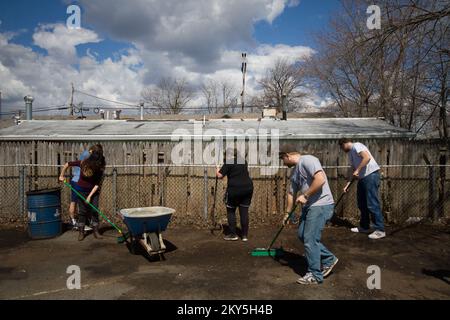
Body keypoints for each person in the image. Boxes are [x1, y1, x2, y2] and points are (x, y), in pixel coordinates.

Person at [279, 145, 338, 285]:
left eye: (282, 159)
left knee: (310, 239)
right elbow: (291, 193)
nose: (282, 163)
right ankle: (329, 259)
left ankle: (314, 274)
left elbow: (320, 179)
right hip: (310, 206)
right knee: (302, 235)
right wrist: (287, 213)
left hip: (320, 205)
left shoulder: (308, 160)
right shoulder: (295, 172)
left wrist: (305, 195)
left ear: (287, 155)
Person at [339, 138, 386, 240]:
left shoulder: (357, 146)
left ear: (345, 143)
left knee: (372, 203)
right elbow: (353, 171)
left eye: (342, 147)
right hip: (362, 178)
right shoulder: (351, 154)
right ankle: (365, 226)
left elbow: (367, 158)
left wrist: (358, 169)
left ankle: (380, 230)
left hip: (371, 175)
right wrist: (347, 185)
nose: (343, 150)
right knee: (362, 203)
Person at [59, 145, 106, 241]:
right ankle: (81, 232)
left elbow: (97, 184)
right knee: (82, 211)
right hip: (81, 190)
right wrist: (61, 175)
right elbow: (67, 164)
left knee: (94, 210)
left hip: (93, 191)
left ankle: (96, 231)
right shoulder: (83, 163)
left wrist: (89, 197)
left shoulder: (98, 168)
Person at [216, 150, 253, 242]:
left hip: (234, 189)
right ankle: (244, 235)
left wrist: (217, 168)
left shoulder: (228, 162)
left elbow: (219, 176)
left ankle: (233, 234)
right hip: (248, 188)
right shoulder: (243, 161)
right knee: (244, 211)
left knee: (231, 211)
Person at [68, 148, 90, 230]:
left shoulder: (83, 155)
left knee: (73, 201)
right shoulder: (88, 155)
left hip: (74, 180)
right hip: (79, 182)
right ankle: (79, 223)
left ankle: (74, 221)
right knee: (81, 203)